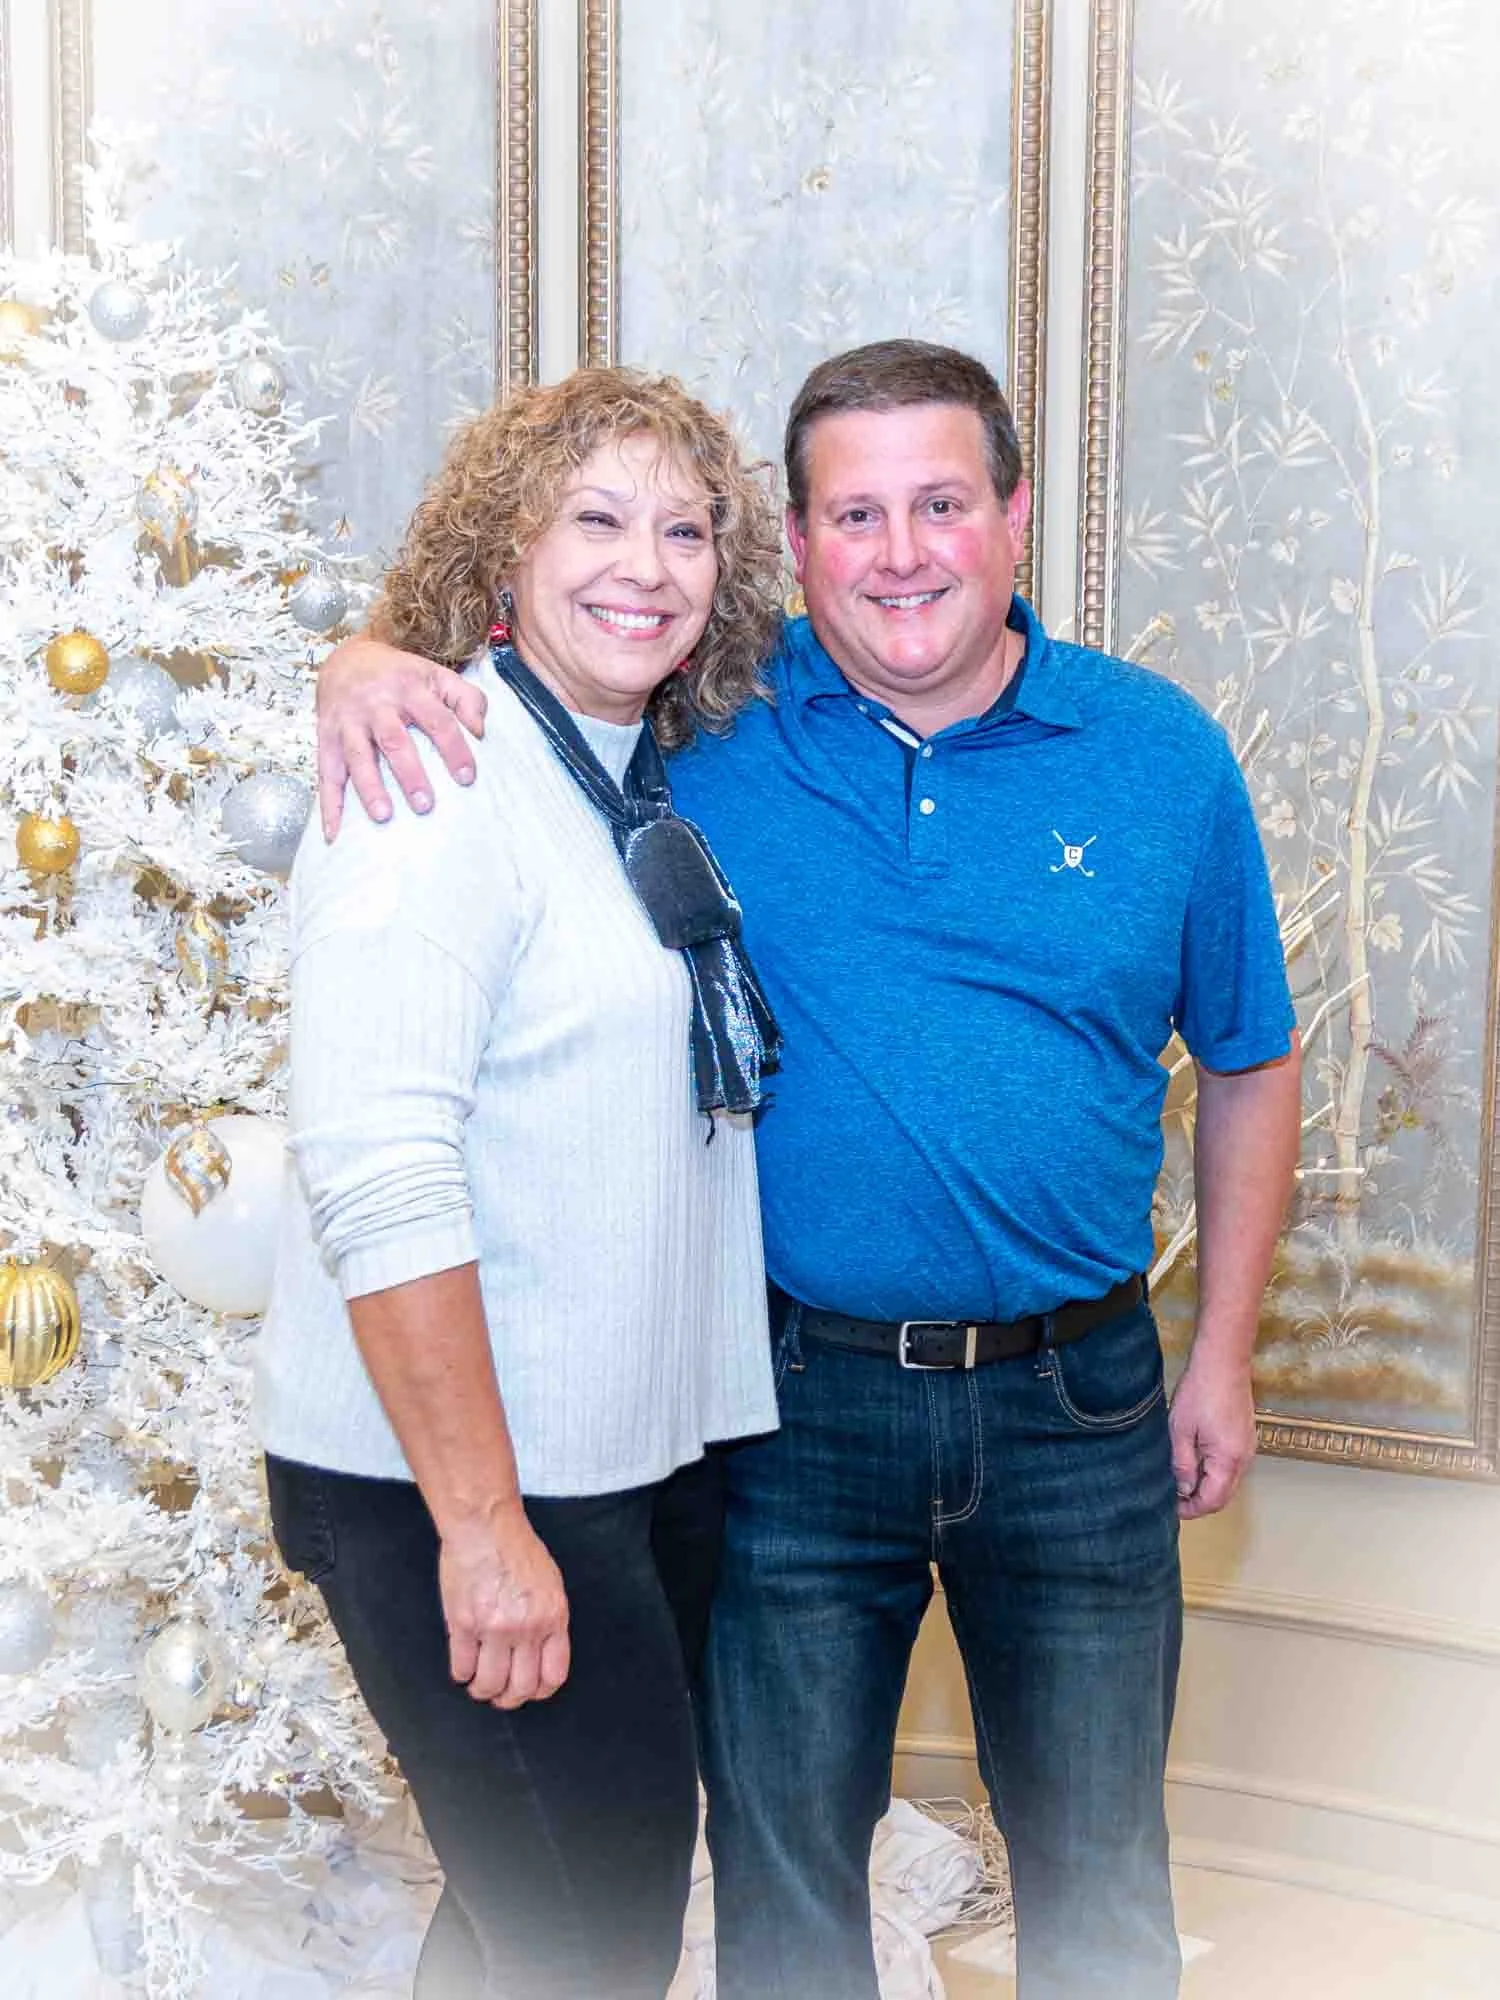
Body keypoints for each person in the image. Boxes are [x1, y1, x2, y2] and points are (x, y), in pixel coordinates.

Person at [313, 339, 1303, 2000]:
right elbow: (512, 671)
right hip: (788, 1412)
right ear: (799, 531)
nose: (901, 550)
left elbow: (1253, 1063)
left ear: (1013, 515)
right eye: (856, 513)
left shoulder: (1159, 755)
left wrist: (1227, 1356)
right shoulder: (714, 720)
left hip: (1083, 1405)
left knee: (1101, 1871)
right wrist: (353, 661)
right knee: (779, 1877)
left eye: (939, 503)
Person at [255, 366, 787, 1999]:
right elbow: (379, 1167)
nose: (649, 563)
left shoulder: (618, 781)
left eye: (686, 528)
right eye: (599, 519)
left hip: (614, 1464)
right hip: (462, 1487)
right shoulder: (436, 778)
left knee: (531, 1912)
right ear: (504, 548)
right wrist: (480, 1529)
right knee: (590, 1932)